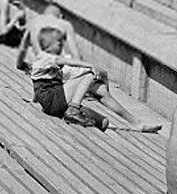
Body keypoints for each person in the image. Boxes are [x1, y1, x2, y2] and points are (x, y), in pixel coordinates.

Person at [28, 26, 160, 131]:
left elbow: (39, 85)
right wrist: (91, 66)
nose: (61, 45)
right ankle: (73, 109)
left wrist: (35, 101)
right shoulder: (46, 57)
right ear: (47, 45)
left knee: (103, 115)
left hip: (53, 103)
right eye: (58, 42)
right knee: (88, 75)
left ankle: (136, 123)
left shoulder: (45, 62)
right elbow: (69, 62)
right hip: (54, 101)